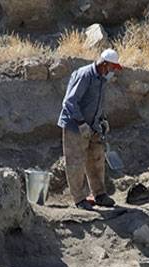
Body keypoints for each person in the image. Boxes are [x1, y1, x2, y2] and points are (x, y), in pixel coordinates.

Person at [57, 49, 123, 210]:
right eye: (113, 67)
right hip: (75, 126)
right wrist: (81, 123)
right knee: (76, 162)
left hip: (93, 126)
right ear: (104, 64)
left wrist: (102, 120)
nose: (114, 71)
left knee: (96, 159)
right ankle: (79, 199)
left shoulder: (101, 79)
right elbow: (69, 102)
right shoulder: (85, 75)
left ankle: (99, 194)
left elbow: (96, 103)